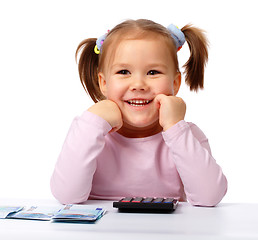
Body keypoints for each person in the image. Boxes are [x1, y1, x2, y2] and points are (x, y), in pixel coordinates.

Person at [50, 19, 227, 206]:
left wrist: (175, 127)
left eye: (152, 72)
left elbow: (210, 197)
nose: (138, 85)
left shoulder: (185, 135)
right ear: (103, 83)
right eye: (124, 71)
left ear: (175, 83)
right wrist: (93, 121)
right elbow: (66, 195)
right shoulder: (90, 133)